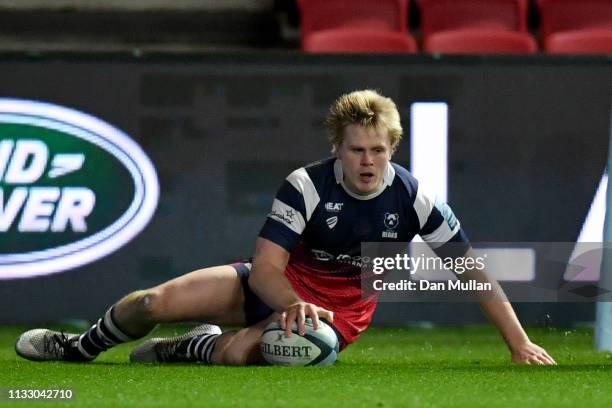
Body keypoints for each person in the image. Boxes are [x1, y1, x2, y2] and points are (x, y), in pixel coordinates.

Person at [15, 89, 556, 366]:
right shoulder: (306, 185)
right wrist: (291, 301)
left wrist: (519, 343)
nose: (366, 161)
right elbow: (268, 268)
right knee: (150, 304)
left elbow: (471, 271)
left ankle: (187, 348)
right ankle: (77, 349)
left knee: (247, 354)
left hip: (339, 312)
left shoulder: (414, 197)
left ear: (392, 149)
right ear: (337, 148)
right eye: (355, 149)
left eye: (376, 150)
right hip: (274, 286)